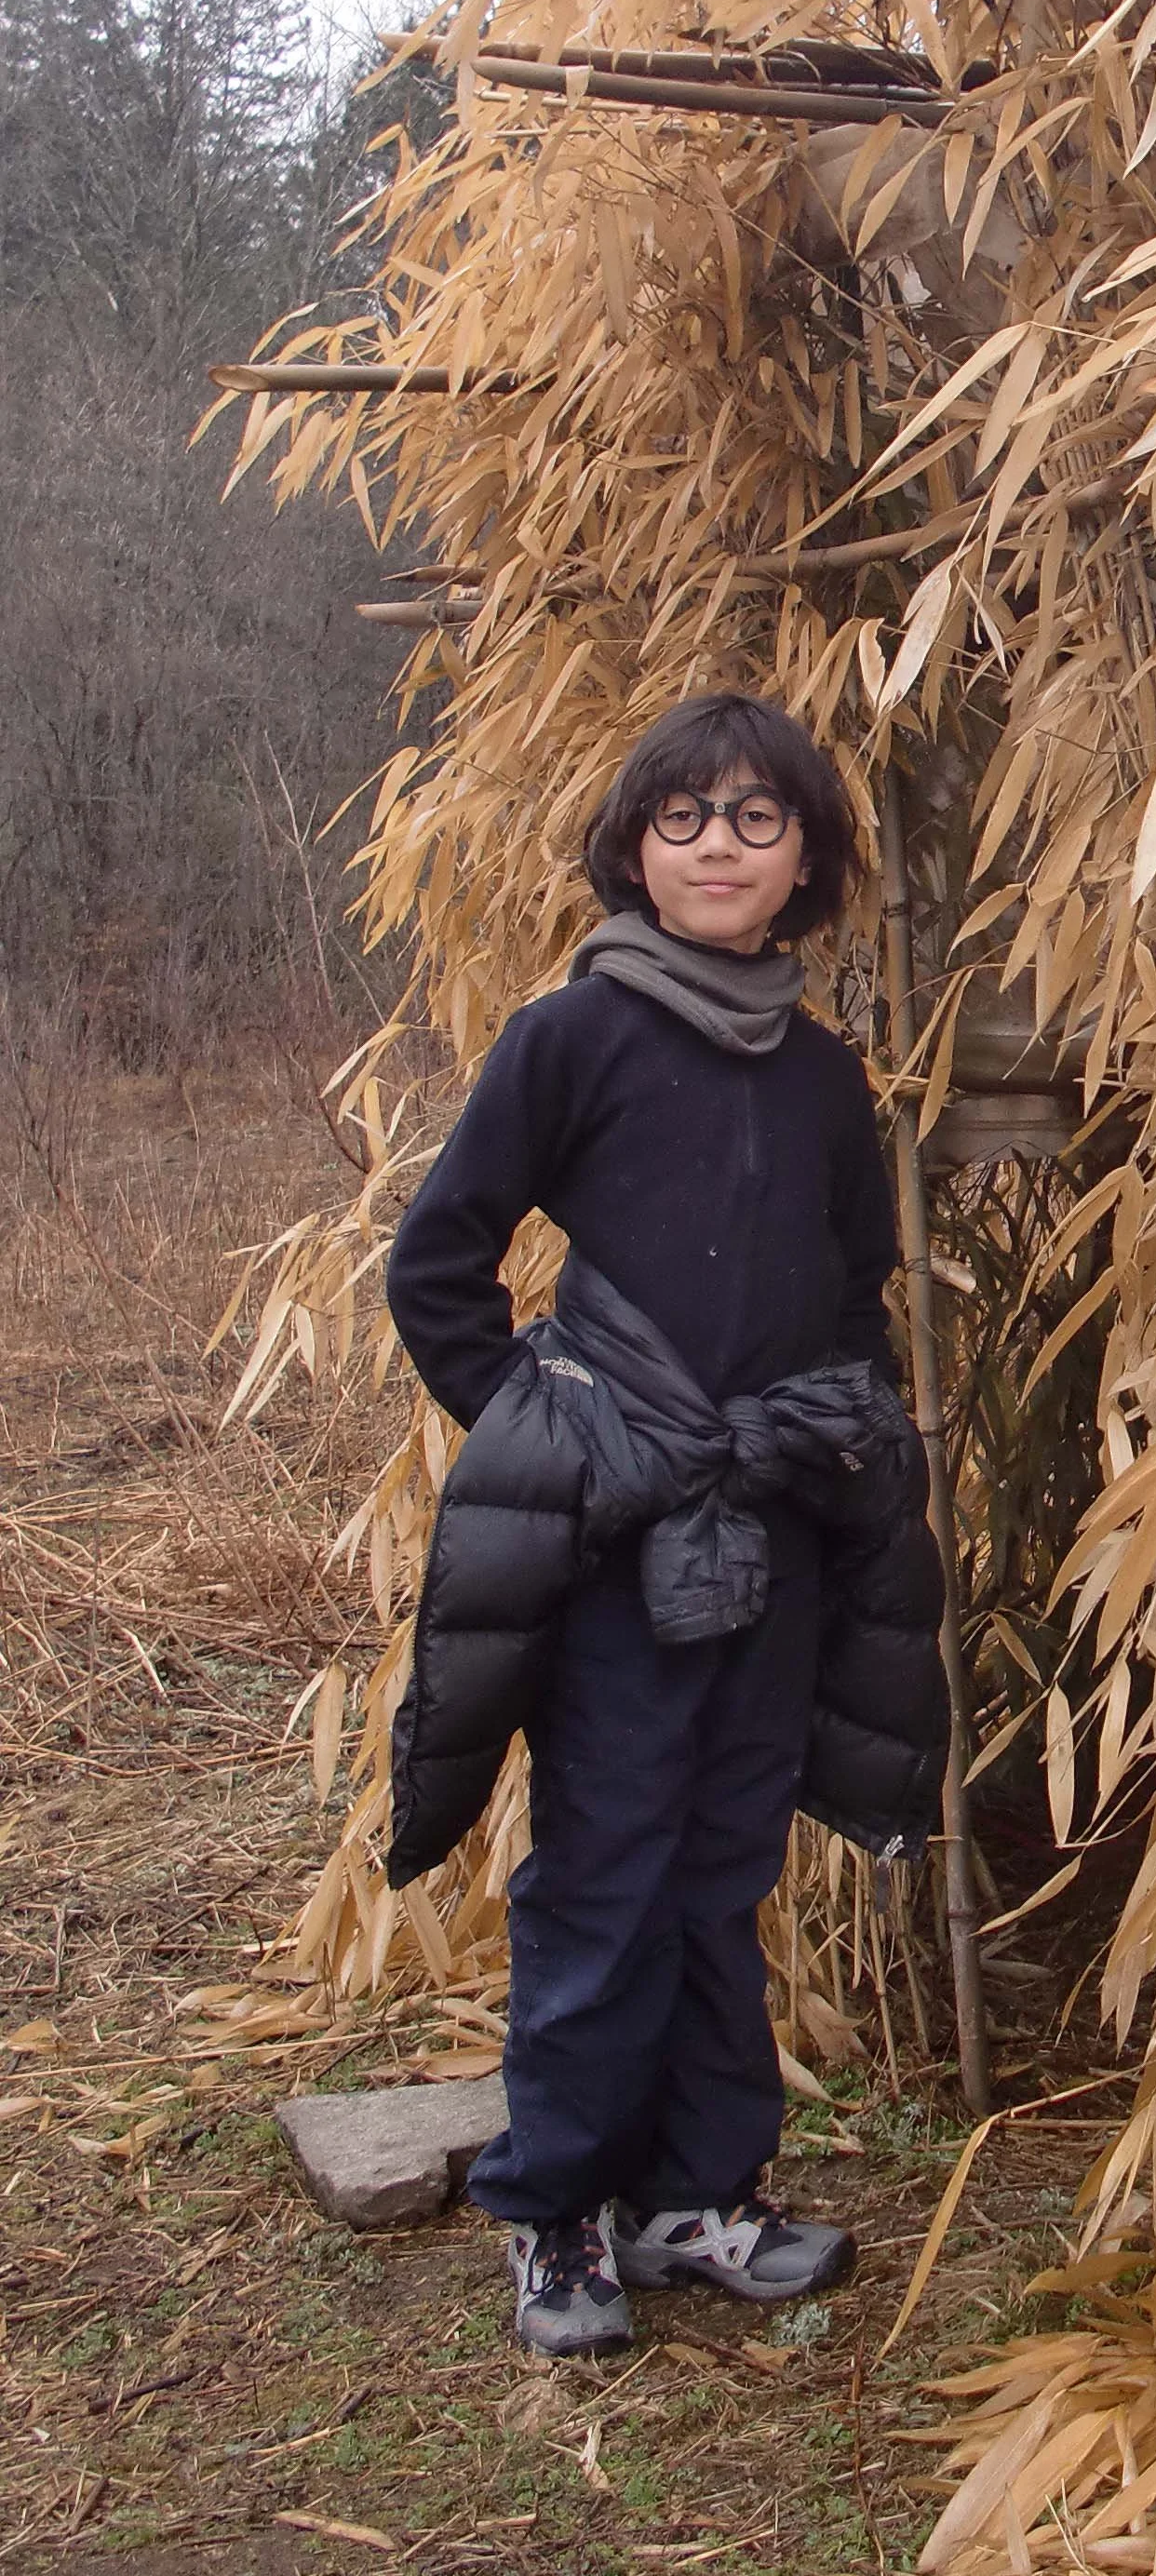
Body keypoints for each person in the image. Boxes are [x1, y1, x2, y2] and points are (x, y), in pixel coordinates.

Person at [385, 691, 905, 2357]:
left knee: (721, 1870)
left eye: (758, 818)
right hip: (620, 1552)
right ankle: (557, 2213)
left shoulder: (823, 1076)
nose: (718, 848)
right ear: (632, 849)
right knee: (605, 1873)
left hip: (773, 1537)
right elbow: (437, 1267)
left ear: (808, 858)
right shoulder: (571, 1039)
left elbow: (858, 1291)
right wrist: (560, 1439)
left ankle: (698, 2195)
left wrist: (830, 1441)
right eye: (683, 819)